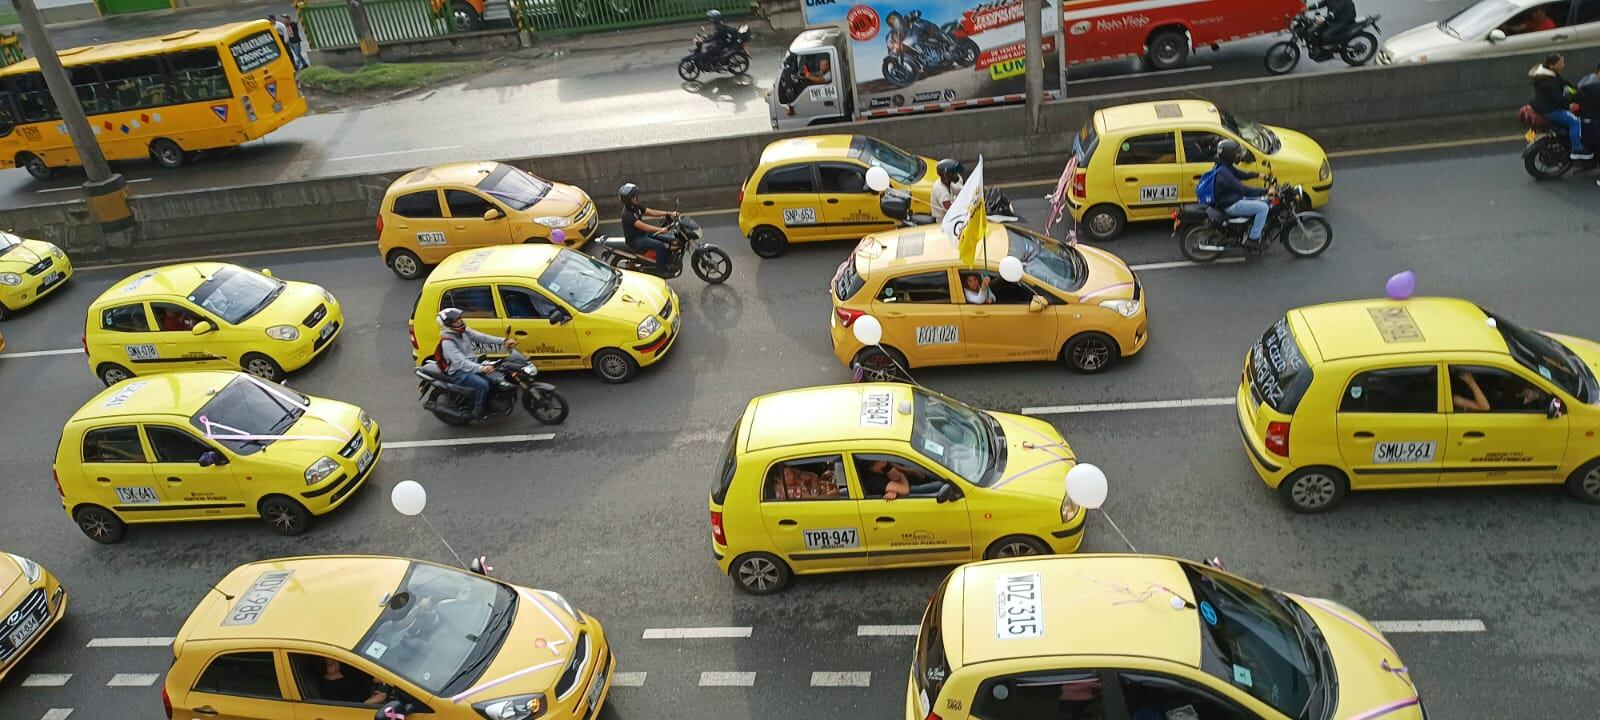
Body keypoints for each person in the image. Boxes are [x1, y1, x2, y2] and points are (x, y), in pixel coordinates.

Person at [433, 308, 517, 421]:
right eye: (455, 321)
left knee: (497, 376)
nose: (459, 321)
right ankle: (478, 411)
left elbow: (482, 337)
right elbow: (461, 363)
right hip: (458, 371)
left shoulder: (464, 331)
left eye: (459, 318)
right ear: (448, 325)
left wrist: (503, 341)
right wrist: (482, 368)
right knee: (483, 385)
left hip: (472, 363)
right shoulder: (448, 342)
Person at [1209, 139, 1270, 246]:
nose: (1239, 156)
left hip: (1230, 198)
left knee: (1263, 201)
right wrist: (1266, 191)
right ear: (1229, 155)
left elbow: (1240, 174)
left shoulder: (1223, 166)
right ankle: (1253, 239)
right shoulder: (1224, 173)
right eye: (1236, 154)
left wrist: (1257, 175)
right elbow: (1244, 190)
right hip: (1230, 203)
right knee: (1263, 208)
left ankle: (1249, 228)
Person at [1530, 53, 1591, 160]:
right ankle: (1577, 149)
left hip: (1543, 106)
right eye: (1560, 63)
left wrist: (1575, 88)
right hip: (1550, 110)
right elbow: (1558, 100)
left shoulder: (1548, 74)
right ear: (1552, 65)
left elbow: (1563, 83)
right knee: (1575, 121)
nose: (1563, 65)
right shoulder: (1549, 81)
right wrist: (1569, 106)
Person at [619, 182, 677, 277]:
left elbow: (651, 212)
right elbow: (643, 226)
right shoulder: (627, 214)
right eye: (634, 197)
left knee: (668, 238)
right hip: (635, 240)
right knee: (660, 246)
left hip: (642, 234)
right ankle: (660, 271)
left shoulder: (636, 206)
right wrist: (660, 229)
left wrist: (669, 213)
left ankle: (667, 260)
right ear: (628, 200)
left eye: (636, 196)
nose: (636, 198)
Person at [318, 658, 388, 705]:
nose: (336, 663)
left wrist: (373, 679)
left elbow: (361, 676)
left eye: (335, 660)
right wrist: (370, 701)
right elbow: (347, 706)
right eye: (331, 663)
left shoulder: (345, 668)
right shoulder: (329, 690)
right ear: (325, 668)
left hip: (376, 689)